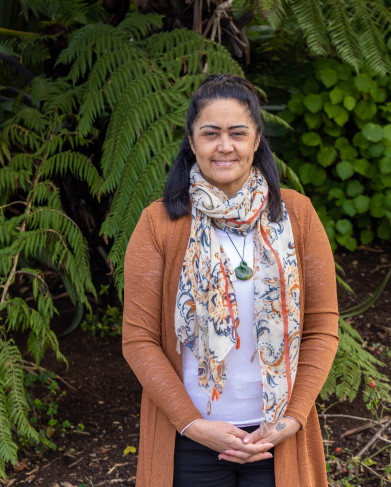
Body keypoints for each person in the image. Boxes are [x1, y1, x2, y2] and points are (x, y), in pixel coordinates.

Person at [122, 74, 339, 487]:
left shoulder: (297, 215)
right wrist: (192, 425)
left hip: (277, 436)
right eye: (211, 133)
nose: (225, 146)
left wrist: (291, 419)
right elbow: (139, 339)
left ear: (257, 140)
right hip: (188, 438)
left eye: (238, 133)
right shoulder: (159, 223)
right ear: (192, 141)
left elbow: (323, 327)